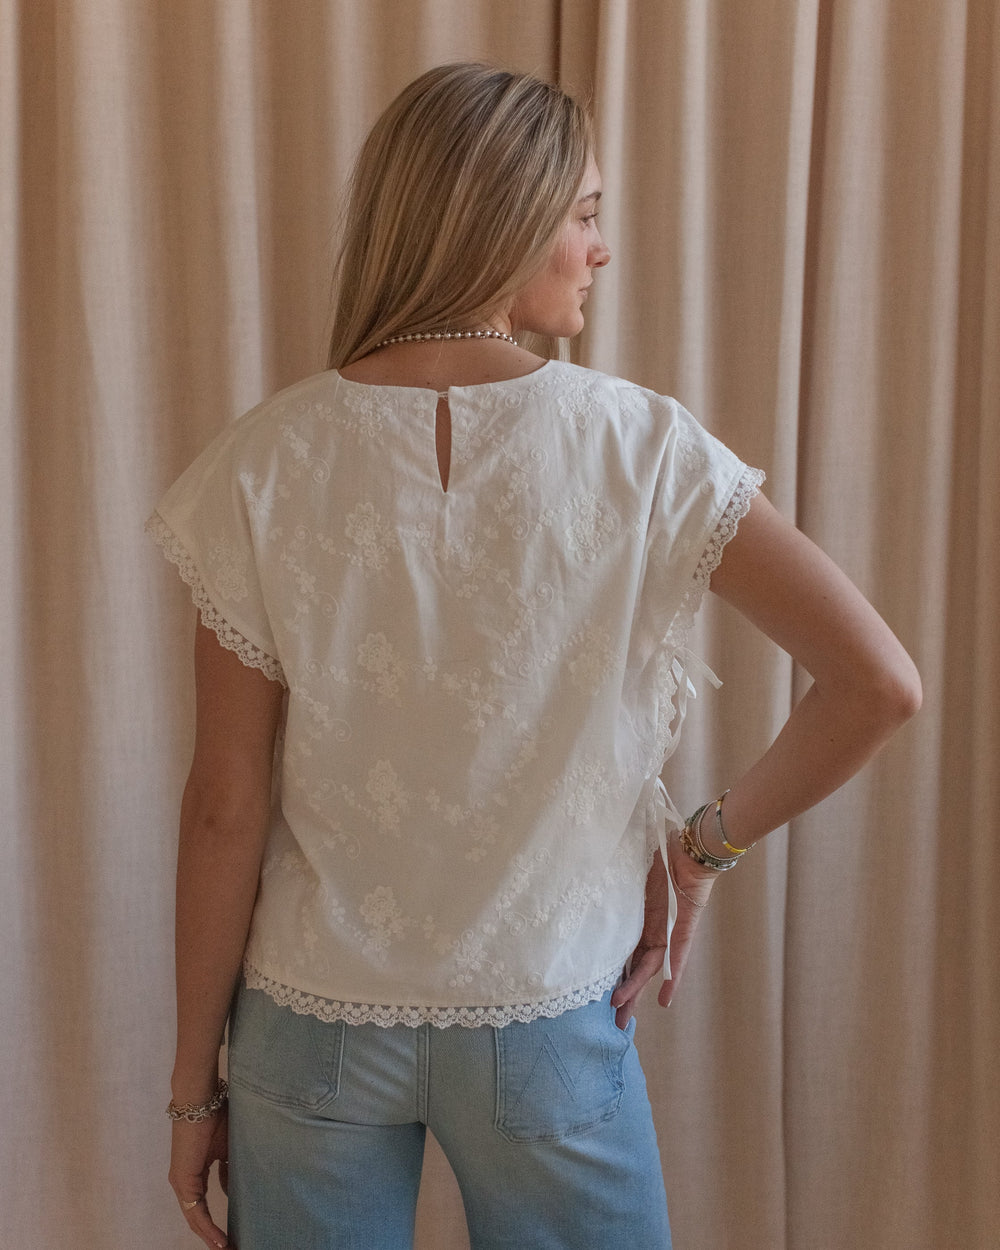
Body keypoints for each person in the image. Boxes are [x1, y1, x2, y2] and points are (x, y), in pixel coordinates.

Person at [149, 63, 921, 1250]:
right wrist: (700, 848)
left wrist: (192, 1085)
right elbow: (877, 684)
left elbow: (224, 804)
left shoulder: (263, 463)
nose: (600, 249)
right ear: (500, 218)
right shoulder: (645, 448)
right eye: (584, 214)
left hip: (311, 1024)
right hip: (546, 1013)